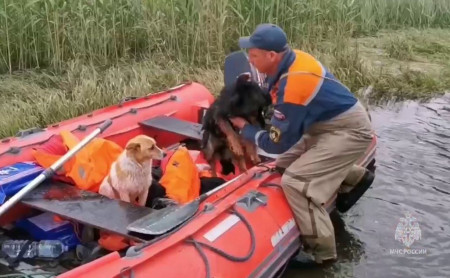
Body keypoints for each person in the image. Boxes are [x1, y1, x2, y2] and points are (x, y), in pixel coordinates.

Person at [229, 23, 375, 265]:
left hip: (348, 130)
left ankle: (323, 253)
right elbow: (275, 91)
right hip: (326, 123)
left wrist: (245, 129)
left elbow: (276, 144)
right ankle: (354, 177)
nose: (250, 60)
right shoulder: (292, 59)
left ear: (271, 55)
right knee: (284, 165)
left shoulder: (295, 84)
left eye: (253, 56)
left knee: (295, 182)